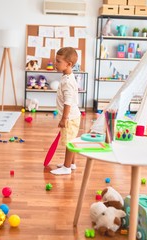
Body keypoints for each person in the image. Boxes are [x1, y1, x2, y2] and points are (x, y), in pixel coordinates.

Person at [50, 47, 81, 175]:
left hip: (70, 117)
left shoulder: (67, 82)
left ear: (69, 64)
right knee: (71, 139)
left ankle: (67, 167)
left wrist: (64, 118)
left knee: (69, 142)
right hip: (72, 116)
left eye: (58, 61)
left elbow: (68, 102)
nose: (55, 64)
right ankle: (71, 164)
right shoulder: (67, 76)